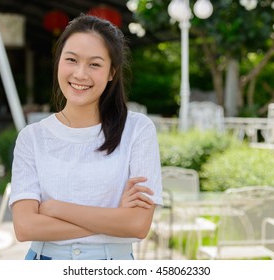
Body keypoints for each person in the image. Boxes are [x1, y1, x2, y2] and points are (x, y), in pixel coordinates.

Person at [9, 14, 163, 260]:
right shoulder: (32, 137)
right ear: (59, 62)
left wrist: (55, 209)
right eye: (71, 60)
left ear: (112, 72)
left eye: (95, 64)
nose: (80, 74)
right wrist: (114, 218)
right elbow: (26, 227)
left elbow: (137, 225)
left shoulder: (137, 130)